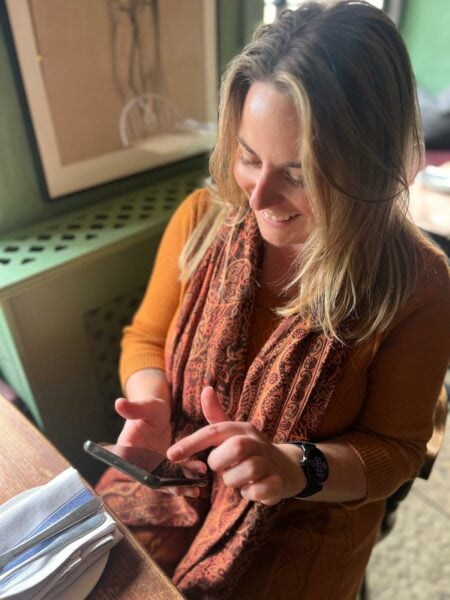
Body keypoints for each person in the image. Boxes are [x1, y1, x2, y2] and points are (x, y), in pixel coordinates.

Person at [96, 2, 450, 598]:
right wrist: (153, 400)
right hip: (169, 483)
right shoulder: (202, 221)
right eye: (249, 158)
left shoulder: (419, 285)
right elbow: (146, 340)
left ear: (370, 166)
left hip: (302, 529)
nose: (258, 196)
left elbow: (395, 452)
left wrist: (294, 467)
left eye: (300, 173)